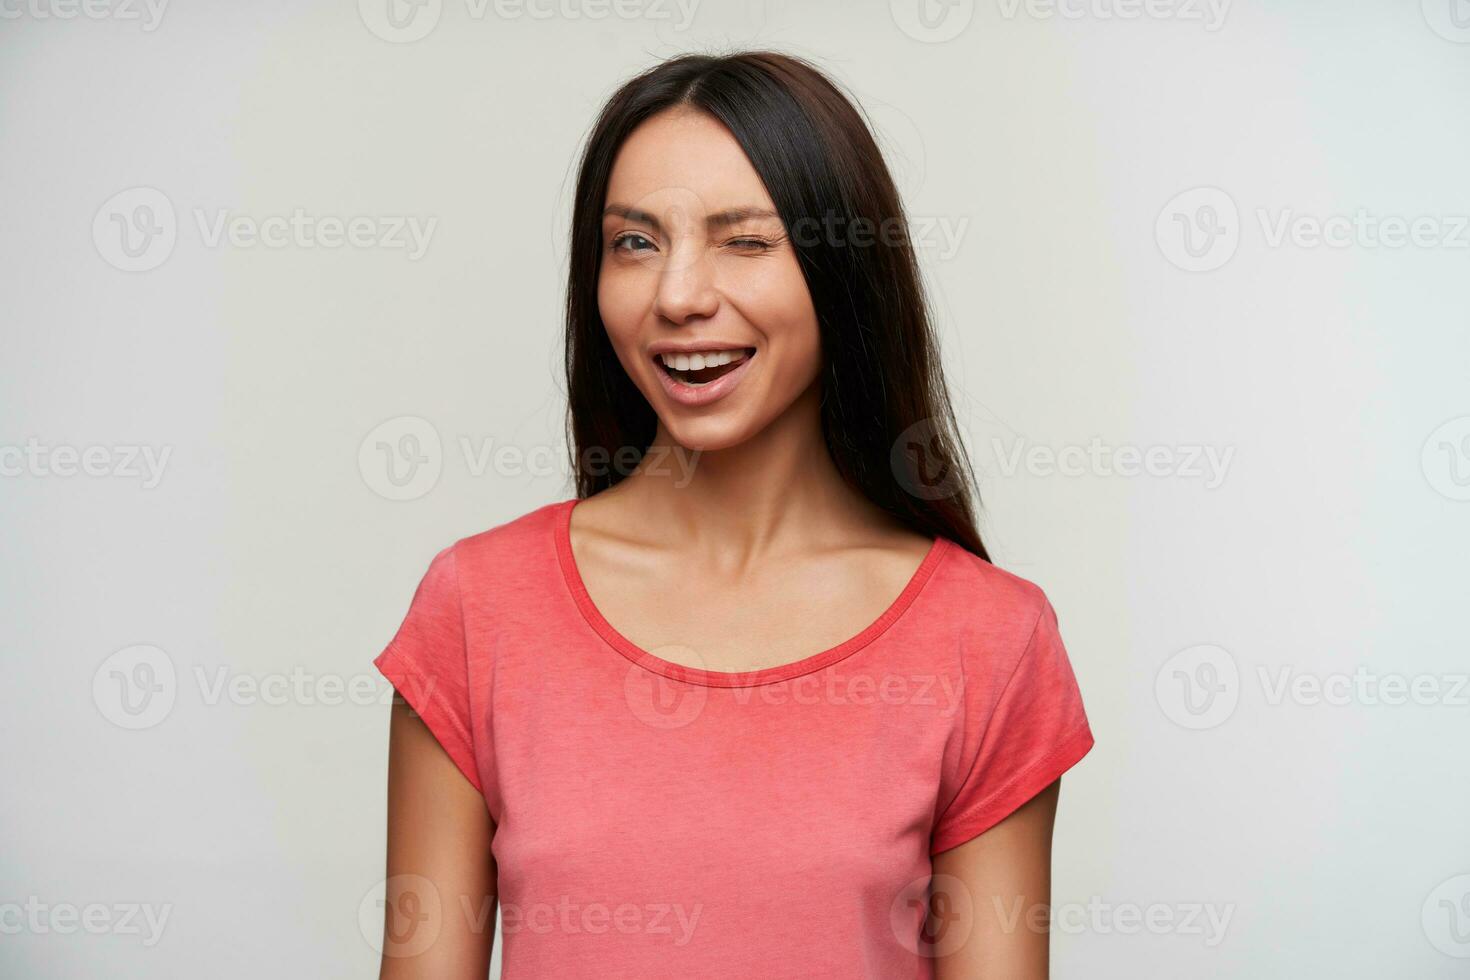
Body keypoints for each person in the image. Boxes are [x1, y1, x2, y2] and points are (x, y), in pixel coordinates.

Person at [374, 49, 1094, 979]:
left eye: (744, 241)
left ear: (841, 272)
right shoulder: (477, 609)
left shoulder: (990, 641)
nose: (678, 296)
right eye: (635, 242)